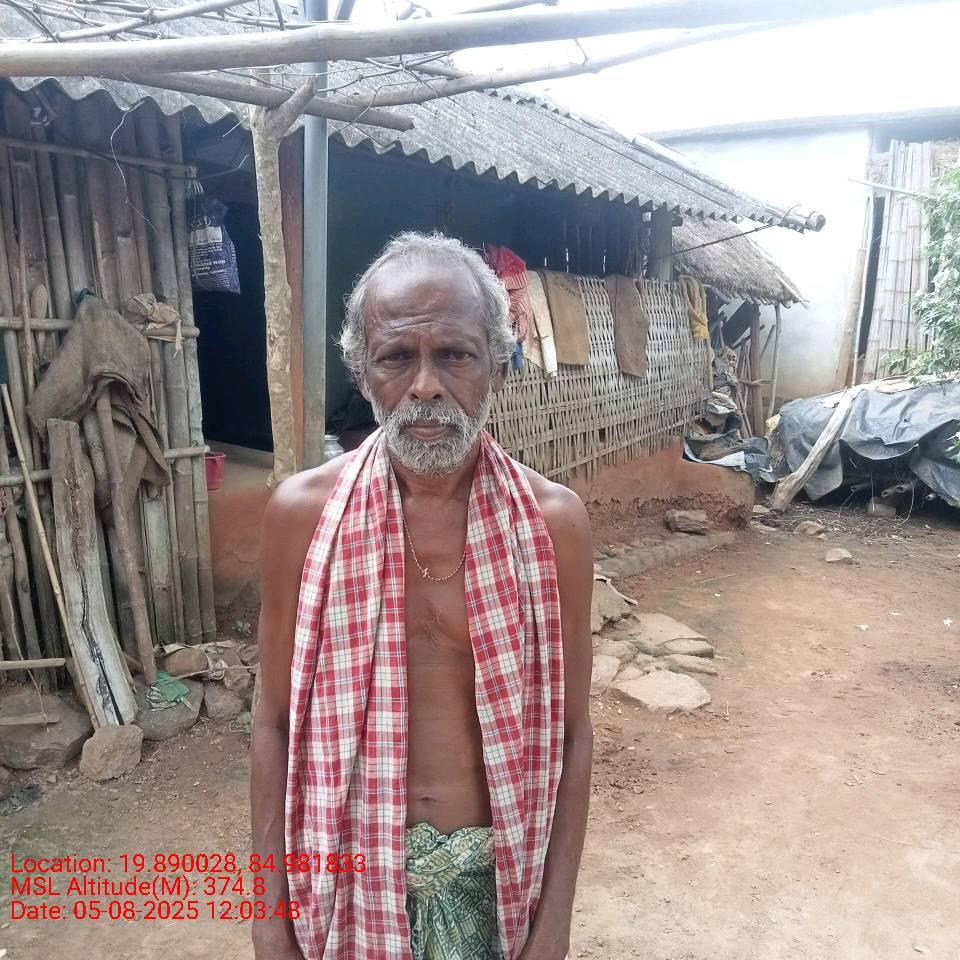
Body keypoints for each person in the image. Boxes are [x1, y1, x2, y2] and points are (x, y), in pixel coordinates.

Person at [251, 232, 594, 960]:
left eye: (456, 355)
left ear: (498, 363)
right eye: (397, 357)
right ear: (362, 371)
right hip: (345, 881)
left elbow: (572, 736)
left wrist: (555, 923)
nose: (426, 385)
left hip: (496, 886)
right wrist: (269, 919)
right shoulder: (302, 516)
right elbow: (274, 725)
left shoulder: (553, 524)